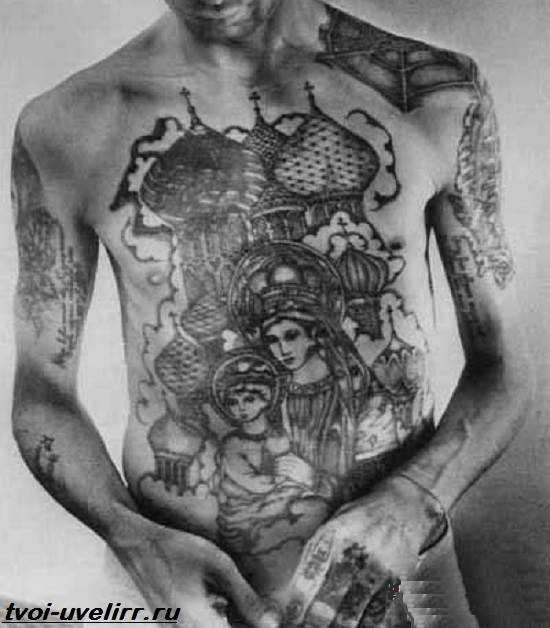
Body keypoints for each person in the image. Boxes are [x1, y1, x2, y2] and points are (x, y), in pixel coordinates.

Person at [11, 0, 528, 626]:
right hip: (174, 589)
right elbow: (43, 394)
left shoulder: (434, 96)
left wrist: (412, 502)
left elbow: (502, 368)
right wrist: (133, 537)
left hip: (397, 576)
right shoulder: (69, 125)